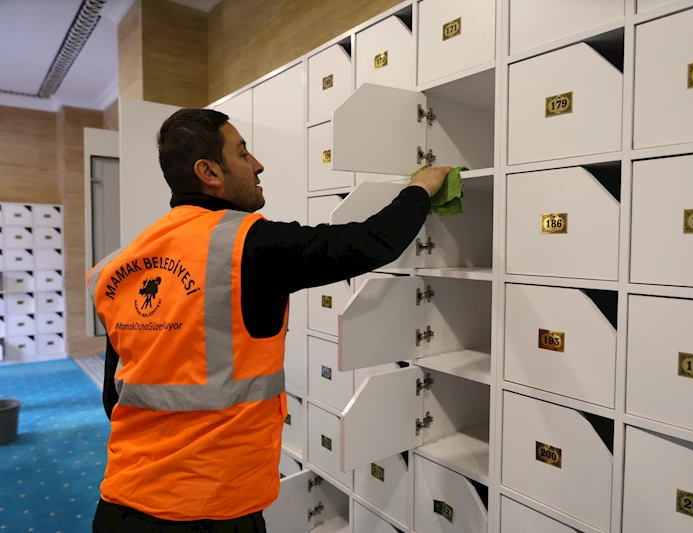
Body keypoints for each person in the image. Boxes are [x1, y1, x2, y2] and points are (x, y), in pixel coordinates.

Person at [87, 107, 452, 533]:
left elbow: (115, 396)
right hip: (209, 513)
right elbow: (371, 242)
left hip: (120, 505)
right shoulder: (249, 246)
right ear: (209, 172)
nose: (258, 164)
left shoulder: (115, 267)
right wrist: (420, 189)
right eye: (243, 153)